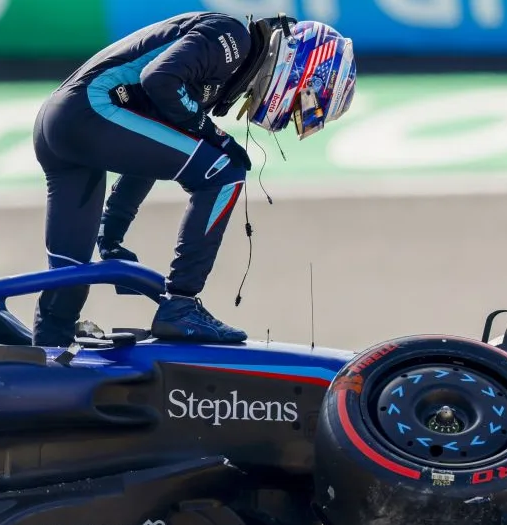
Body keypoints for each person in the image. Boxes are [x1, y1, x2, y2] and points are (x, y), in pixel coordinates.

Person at [31, 11, 357, 347]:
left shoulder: (229, 64)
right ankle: (181, 304)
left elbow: (148, 142)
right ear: (303, 69)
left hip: (63, 122)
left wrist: (111, 234)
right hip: (88, 113)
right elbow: (158, 78)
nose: (293, 118)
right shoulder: (233, 39)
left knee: (68, 274)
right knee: (224, 171)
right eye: (306, 104)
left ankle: (46, 352)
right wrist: (213, 134)